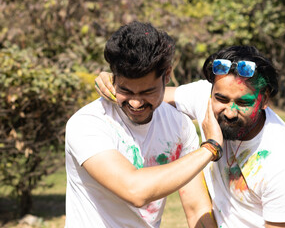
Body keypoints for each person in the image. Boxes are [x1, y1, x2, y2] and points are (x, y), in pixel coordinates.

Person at [96, 45, 285, 228]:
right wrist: (118, 83)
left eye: (243, 103)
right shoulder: (205, 98)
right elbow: (152, 95)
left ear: (264, 99)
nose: (229, 111)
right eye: (221, 99)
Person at [65, 21, 222, 228]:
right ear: (114, 79)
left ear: (167, 76)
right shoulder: (88, 123)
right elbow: (135, 191)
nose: (136, 103)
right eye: (126, 91)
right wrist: (210, 148)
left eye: (147, 92)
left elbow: (196, 208)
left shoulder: (178, 125)